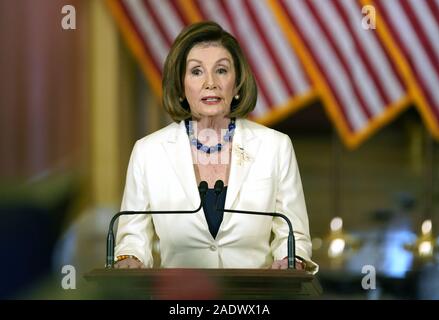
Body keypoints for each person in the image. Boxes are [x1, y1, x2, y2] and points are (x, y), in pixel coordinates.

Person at [114, 21, 318, 273]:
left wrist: (291, 260)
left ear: (237, 83)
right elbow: (132, 238)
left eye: (221, 70)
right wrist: (129, 258)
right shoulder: (149, 152)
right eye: (197, 72)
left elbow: (293, 234)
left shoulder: (275, 147)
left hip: (253, 299)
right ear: (180, 86)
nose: (210, 82)